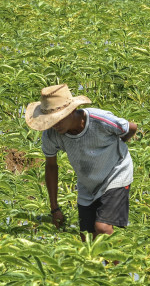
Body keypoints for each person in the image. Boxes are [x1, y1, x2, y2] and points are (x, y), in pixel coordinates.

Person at [25, 84, 137, 238]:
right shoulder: (51, 135)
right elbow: (51, 166)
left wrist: (119, 144)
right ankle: (100, 262)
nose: (55, 125)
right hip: (87, 182)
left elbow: (131, 127)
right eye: (50, 121)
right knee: (86, 236)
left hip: (115, 173)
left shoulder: (100, 120)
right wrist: (54, 208)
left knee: (102, 228)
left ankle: (120, 262)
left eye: (58, 119)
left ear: (71, 111)